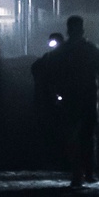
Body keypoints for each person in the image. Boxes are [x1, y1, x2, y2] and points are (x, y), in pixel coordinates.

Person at [47, 15, 99, 188]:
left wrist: (56, 95)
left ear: (68, 30)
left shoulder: (62, 51)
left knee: (73, 136)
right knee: (88, 137)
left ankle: (78, 173)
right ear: (82, 29)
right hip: (88, 98)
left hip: (71, 99)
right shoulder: (93, 50)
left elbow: (52, 76)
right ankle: (88, 172)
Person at [30, 32, 66, 168]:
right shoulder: (48, 58)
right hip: (50, 100)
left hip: (65, 99)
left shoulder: (68, 57)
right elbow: (36, 69)